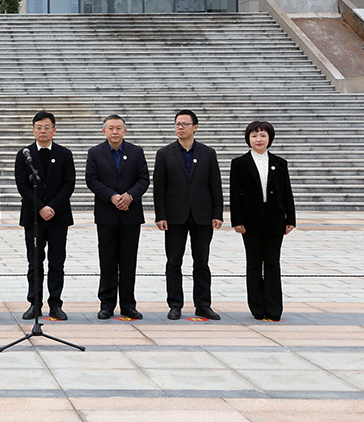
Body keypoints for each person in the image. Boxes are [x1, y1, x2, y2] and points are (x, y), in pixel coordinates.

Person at [153, 110, 224, 320]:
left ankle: (203, 304)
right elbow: (159, 187)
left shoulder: (208, 153)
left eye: (185, 124)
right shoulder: (164, 153)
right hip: (175, 216)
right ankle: (175, 304)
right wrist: (160, 215)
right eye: (177, 124)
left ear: (195, 127)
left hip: (202, 215)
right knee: (173, 261)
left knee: (201, 261)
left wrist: (217, 213)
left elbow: (216, 185)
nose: (180, 127)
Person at [85, 115, 150, 320]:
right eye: (111, 128)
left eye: (119, 128)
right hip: (107, 215)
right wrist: (112, 196)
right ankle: (106, 304)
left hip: (130, 216)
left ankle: (128, 305)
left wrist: (130, 196)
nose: (115, 131)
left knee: (129, 262)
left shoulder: (136, 152)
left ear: (125, 131)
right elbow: (91, 180)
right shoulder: (95, 153)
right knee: (108, 261)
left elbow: (144, 179)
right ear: (104, 131)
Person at [229, 120, 296, 322]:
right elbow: (235, 195)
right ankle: (257, 307)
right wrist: (237, 220)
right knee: (254, 263)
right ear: (248, 138)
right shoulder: (239, 163)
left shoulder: (280, 163)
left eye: (263, 135)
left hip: (276, 218)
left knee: (273, 263)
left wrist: (290, 218)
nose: (259, 139)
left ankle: (274, 308)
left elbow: (287, 192)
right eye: (254, 135)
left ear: (270, 138)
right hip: (250, 221)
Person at [13, 111, 74, 321]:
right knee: (35, 262)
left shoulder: (65, 154)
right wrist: (40, 208)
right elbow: (22, 185)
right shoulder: (24, 154)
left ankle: (55, 304)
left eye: (47, 127)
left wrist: (52, 208)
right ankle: (34, 304)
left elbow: (69, 184)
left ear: (54, 130)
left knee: (57, 263)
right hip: (34, 217)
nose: (43, 131)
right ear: (33, 130)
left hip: (58, 217)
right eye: (38, 127)